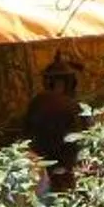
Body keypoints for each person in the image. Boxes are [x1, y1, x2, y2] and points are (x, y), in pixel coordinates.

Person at [22, 60, 84, 194]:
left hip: (38, 166)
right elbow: (81, 136)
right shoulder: (72, 105)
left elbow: (26, 133)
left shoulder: (36, 103)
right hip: (65, 169)